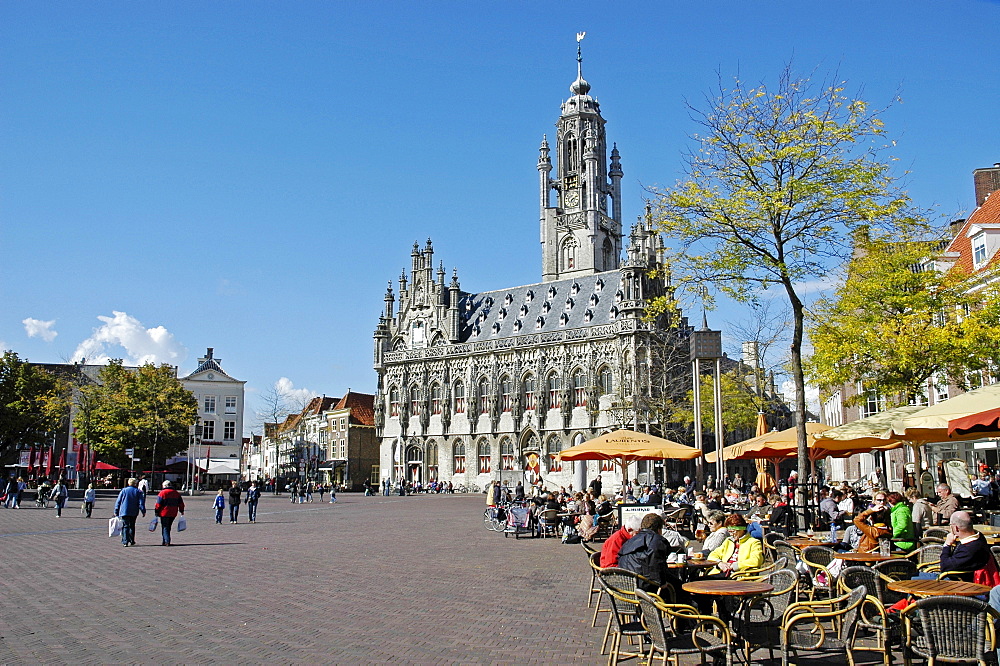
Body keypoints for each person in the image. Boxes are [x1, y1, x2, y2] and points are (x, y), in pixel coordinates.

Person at [617, 513, 677, 591]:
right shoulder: (656, 539)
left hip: (626, 586)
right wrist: (662, 582)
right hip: (645, 588)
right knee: (677, 585)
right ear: (659, 529)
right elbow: (656, 563)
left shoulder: (630, 541)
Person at [932, 510, 989, 581]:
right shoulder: (979, 537)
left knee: (914, 578)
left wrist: (947, 545)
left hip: (953, 581)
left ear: (955, 528)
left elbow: (944, 566)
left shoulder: (968, 549)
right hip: (954, 576)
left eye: (950, 525)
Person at [113, 478, 146, 547]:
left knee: (125, 526)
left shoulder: (123, 490)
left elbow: (118, 501)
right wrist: (143, 511)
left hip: (124, 511)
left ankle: (125, 541)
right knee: (132, 526)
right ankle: (131, 540)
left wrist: (116, 510)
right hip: (134, 511)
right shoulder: (138, 491)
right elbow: (141, 503)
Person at [154, 480, 185, 546]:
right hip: (173, 512)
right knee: (168, 526)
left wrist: (156, 511)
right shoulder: (176, 493)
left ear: (164, 486)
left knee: (165, 526)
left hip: (164, 512)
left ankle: (167, 541)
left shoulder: (162, 493)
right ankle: (164, 540)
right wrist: (181, 510)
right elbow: (181, 503)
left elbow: (158, 504)